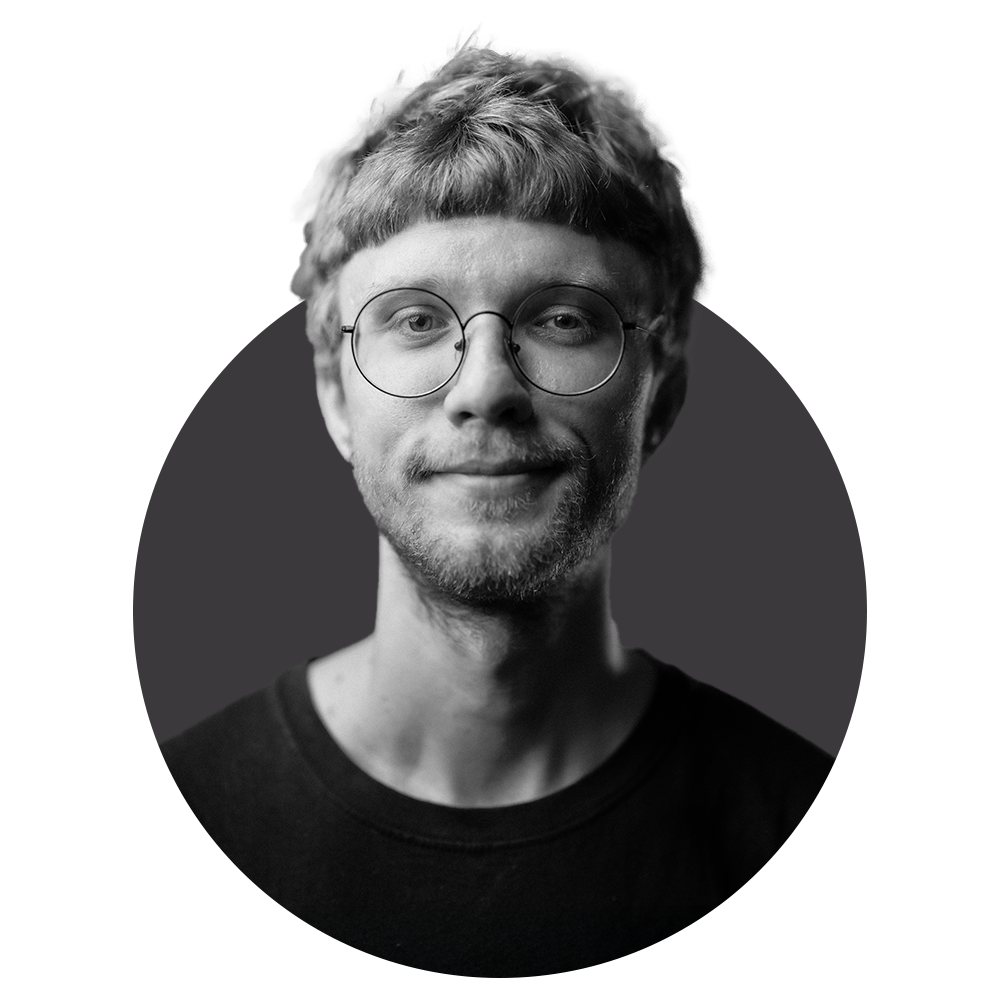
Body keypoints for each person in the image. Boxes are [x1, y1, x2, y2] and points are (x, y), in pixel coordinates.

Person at [161, 47, 834, 977]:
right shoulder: (167, 836)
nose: (484, 389)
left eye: (562, 320)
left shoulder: (818, 849)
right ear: (333, 394)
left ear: (661, 397)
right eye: (415, 319)